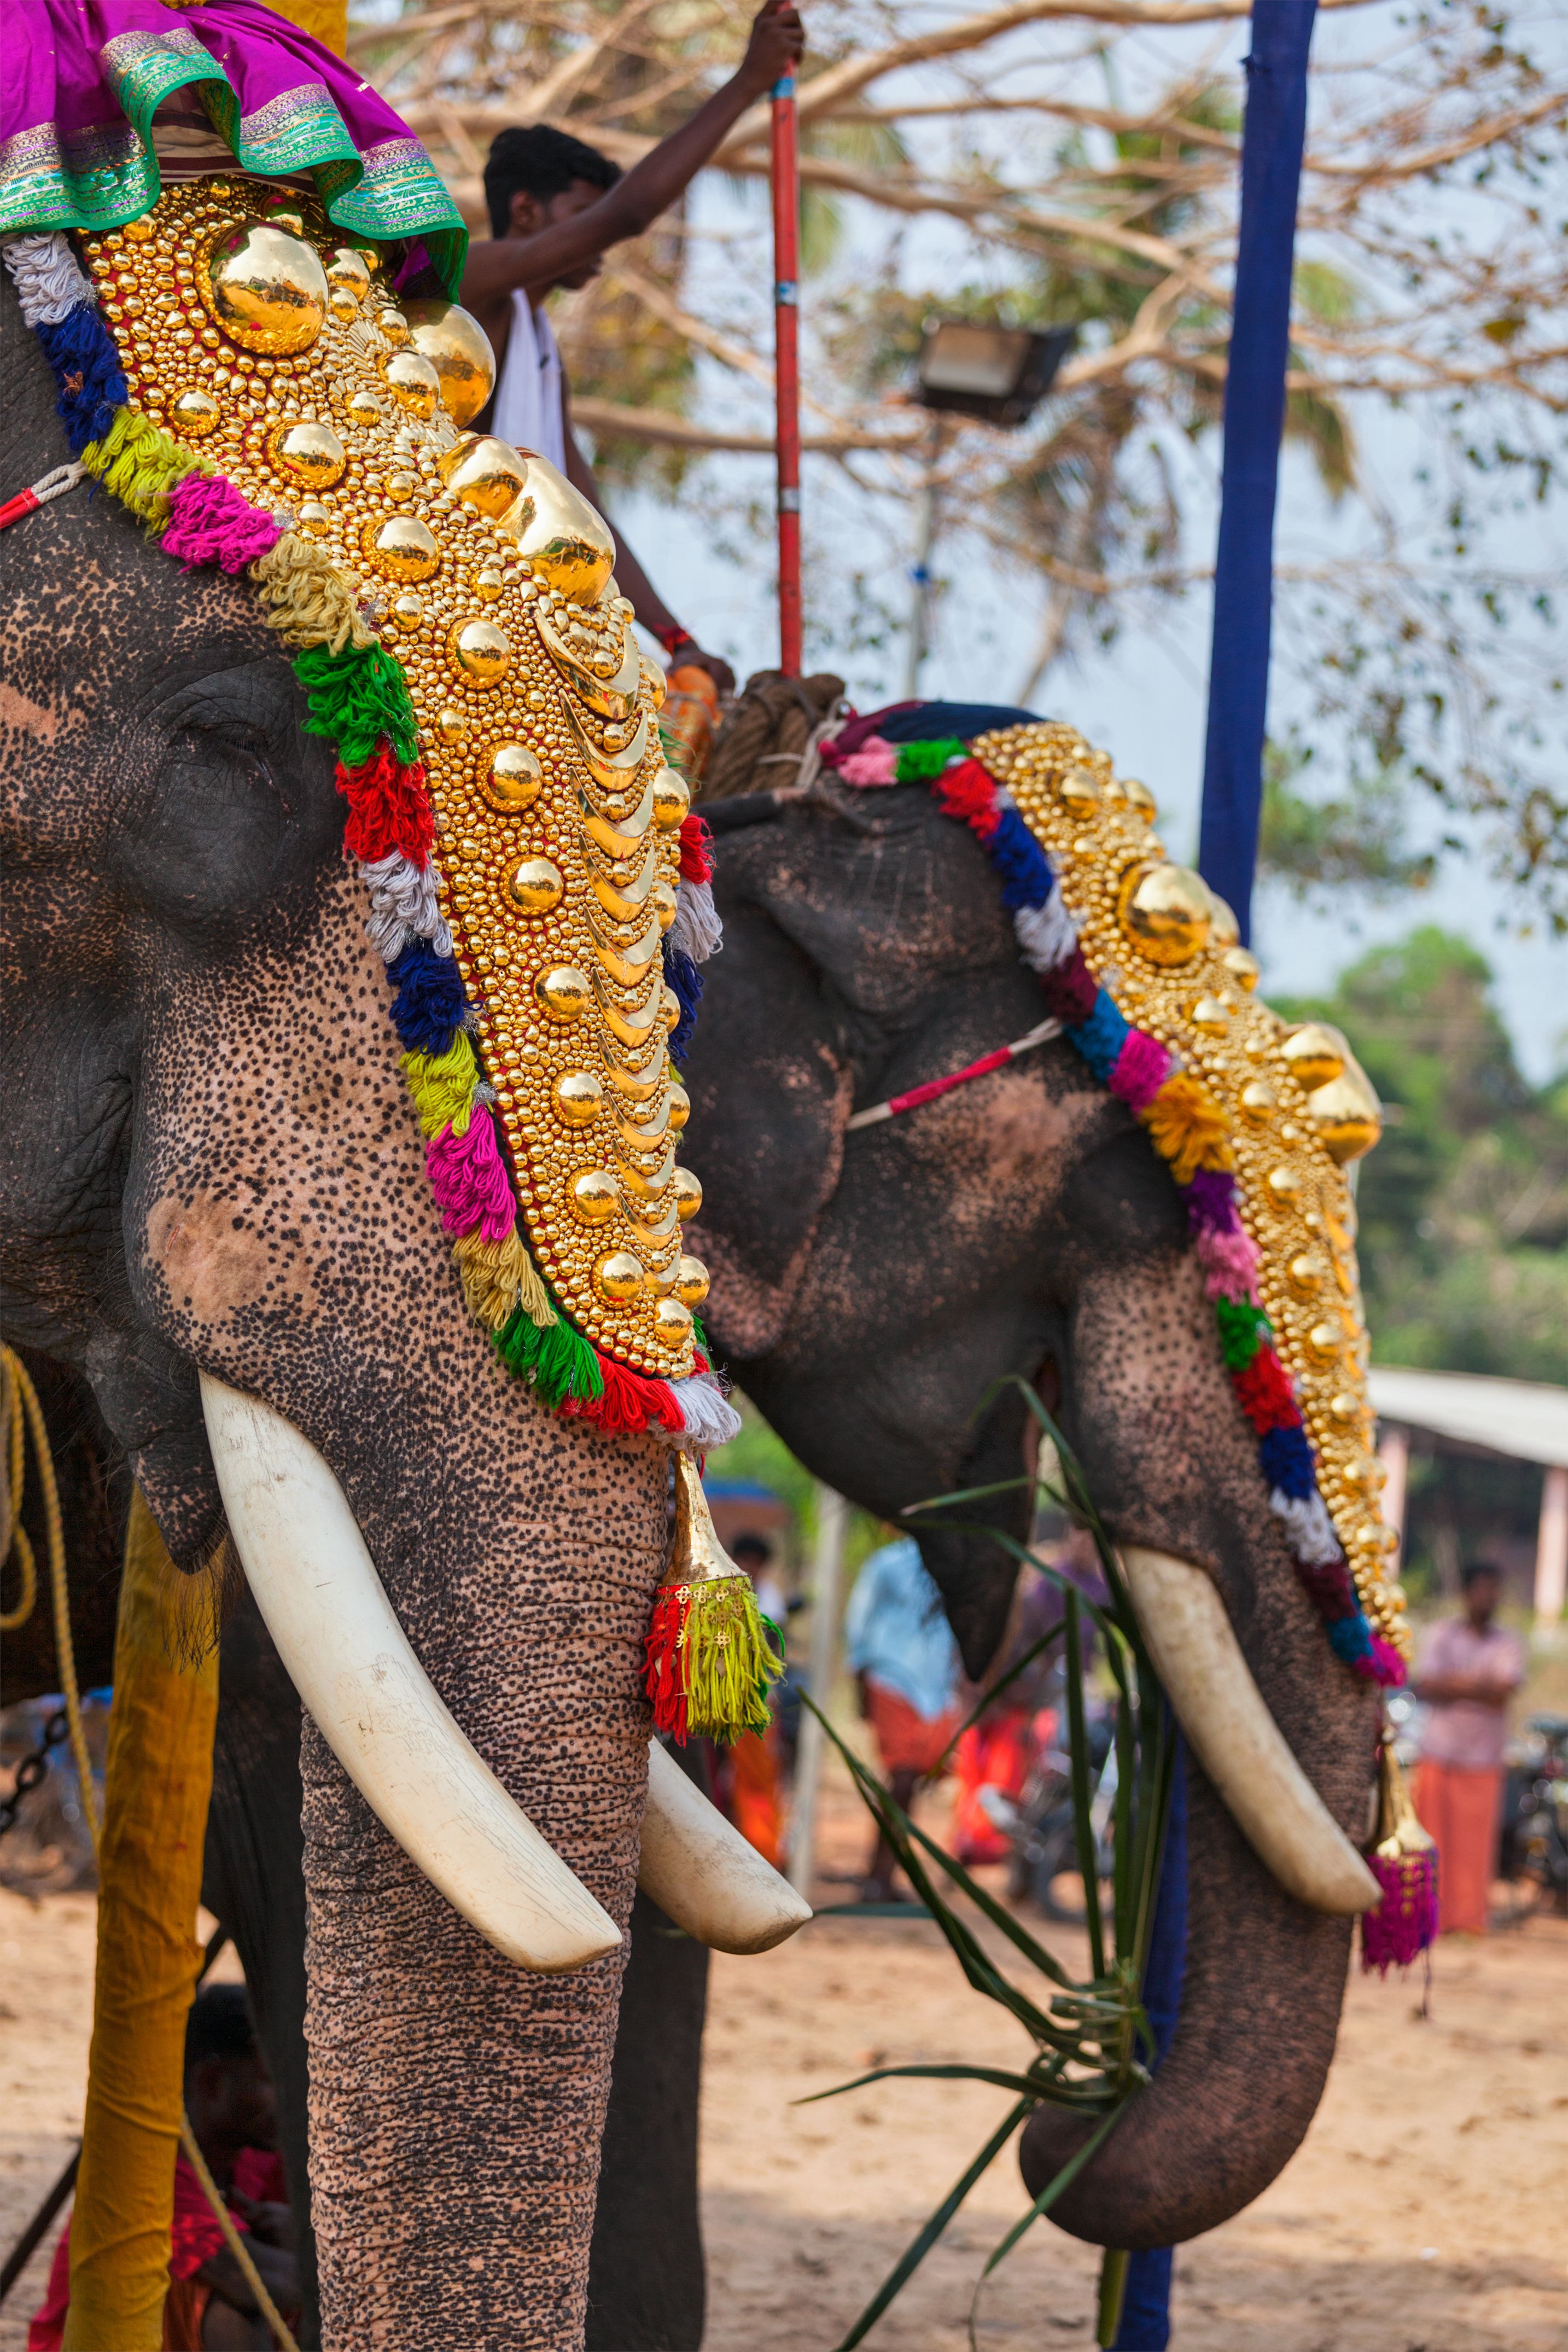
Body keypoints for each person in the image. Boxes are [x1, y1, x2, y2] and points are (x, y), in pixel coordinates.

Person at [459, 0, 806, 695]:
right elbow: (631, 213)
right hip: (450, 601)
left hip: (523, 624)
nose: (601, 241)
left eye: (595, 217)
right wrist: (746, 82)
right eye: (579, 214)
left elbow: (583, 515)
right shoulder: (481, 276)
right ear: (526, 209)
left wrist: (678, 639)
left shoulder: (539, 345)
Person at [31, 1986, 298, 2352]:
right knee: (232, 2303)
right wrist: (311, 2242)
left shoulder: (257, 2156)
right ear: (212, 2082)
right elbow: (259, 2280)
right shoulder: (146, 2169)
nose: (295, 2097)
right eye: (271, 2081)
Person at [843, 1535, 963, 1902]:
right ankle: (878, 1875)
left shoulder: (957, 1567)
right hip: (892, 1676)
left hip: (936, 1687)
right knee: (903, 1777)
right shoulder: (888, 1563)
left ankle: (884, 1872)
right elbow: (858, 1621)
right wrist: (860, 1682)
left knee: (922, 1777)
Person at [1412, 1561, 1525, 1936]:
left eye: (1493, 1590)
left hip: (1483, 1758)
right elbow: (1428, 1684)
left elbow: (1503, 1693)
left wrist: (1456, 1683)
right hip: (1439, 1753)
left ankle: (1467, 1919)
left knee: (1474, 1848)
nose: (1487, 1597)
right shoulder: (1441, 1634)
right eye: (1481, 1589)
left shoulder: (1508, 1642)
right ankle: (1428, 1916)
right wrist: (1482, 1686)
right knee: (1431, 1840)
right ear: (1466, 1593)